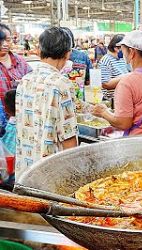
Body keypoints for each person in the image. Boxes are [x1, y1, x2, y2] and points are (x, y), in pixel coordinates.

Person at [16, 27, 78, 179]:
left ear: (39, 50)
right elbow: (68, 137)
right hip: (51, 173)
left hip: (26, 169)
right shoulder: (62, 84)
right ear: (67, 53)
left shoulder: (25, 80)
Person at [92, 30, 142, 136]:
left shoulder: (127, 83)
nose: (122, 53)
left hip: (140, 144)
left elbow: (123, 123)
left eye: (123, 49)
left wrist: (103, 112)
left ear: (132, 52)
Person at [0, 24, 32, 135]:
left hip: (21, 121)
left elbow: (32, 81)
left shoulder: (20, 62)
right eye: (1, 40)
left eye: (8, 40)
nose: (5, 44)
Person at [61, 27, 93, 99]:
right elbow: (88, 81)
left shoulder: (53, 58)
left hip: (62, 99)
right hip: (79, 98)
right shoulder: (83, 56)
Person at [98, 34, 129, 101]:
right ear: (117, 48)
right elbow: (105, 84)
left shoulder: (122, 59)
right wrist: (127, 77)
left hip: (123, 97)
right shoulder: (106, 60)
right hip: (112, 100)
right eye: (125, 48)